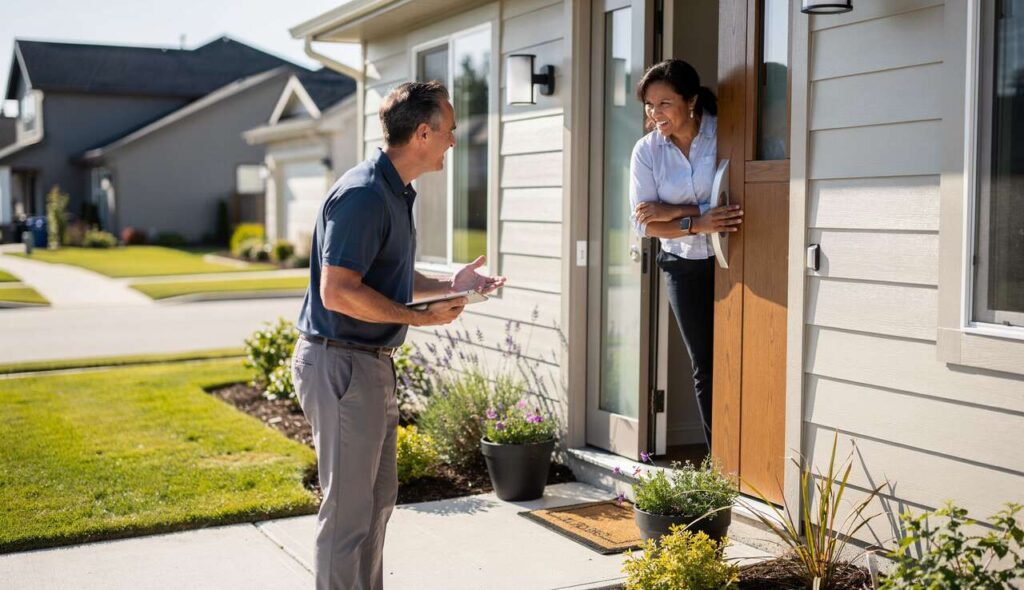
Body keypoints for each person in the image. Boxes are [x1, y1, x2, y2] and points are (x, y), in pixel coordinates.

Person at [292, 80, 506, 590]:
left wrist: (451, 284)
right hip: (342, 364)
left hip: (368, 364)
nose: (454, 140)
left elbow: (386, 276)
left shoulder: (393, 192)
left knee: (376, 505)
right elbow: (337, 292)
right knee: (347, 516)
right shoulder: (364, 195)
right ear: (423, 134)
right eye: (449, 130)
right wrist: (421, 319)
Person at [628, 60, 743, 452]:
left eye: (664, 103)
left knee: (743, 351)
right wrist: (699, 221)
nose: (655, 113)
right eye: (649, 105)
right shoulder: (646, 151)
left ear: (690, 101)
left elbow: (733, 201)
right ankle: (719, 461)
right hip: (682, 266)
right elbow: (644, 223)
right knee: (705, 364)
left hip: (735, 257)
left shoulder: (726, 133)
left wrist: (674, 210)